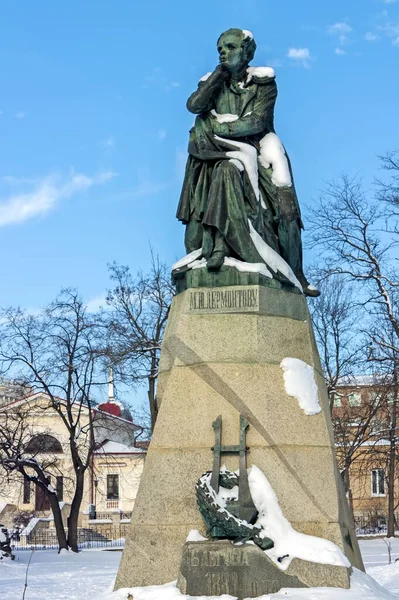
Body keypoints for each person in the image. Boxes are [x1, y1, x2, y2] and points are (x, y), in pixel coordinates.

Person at [176, 28, 319, 297]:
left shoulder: (263, 82)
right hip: (221, 151)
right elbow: (195, 106)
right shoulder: (211, 82)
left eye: (230, 47)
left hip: (262, 147)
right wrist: (217, 77)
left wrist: (216, 127)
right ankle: (217, 244)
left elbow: (257, 121)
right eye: (220, 49)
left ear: (247, 52)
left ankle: (296, 271)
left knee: (286, 208)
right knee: (220, 176)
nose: (224, 52)